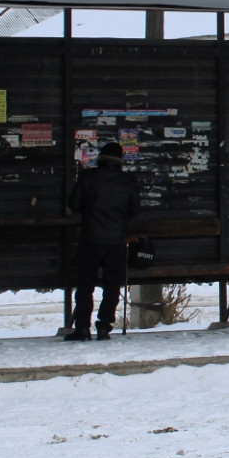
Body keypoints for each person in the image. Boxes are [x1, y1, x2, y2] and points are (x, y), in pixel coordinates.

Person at [65, 140, 141, 341]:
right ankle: (104, 326)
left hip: (90, 239)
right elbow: (134, 212)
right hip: (116, 241)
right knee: (112, 285)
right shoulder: (128, 182)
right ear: (120, 161)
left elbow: (74, 204)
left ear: (101, 158)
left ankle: (82, 327)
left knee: (85, 286)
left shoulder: (88, 178)